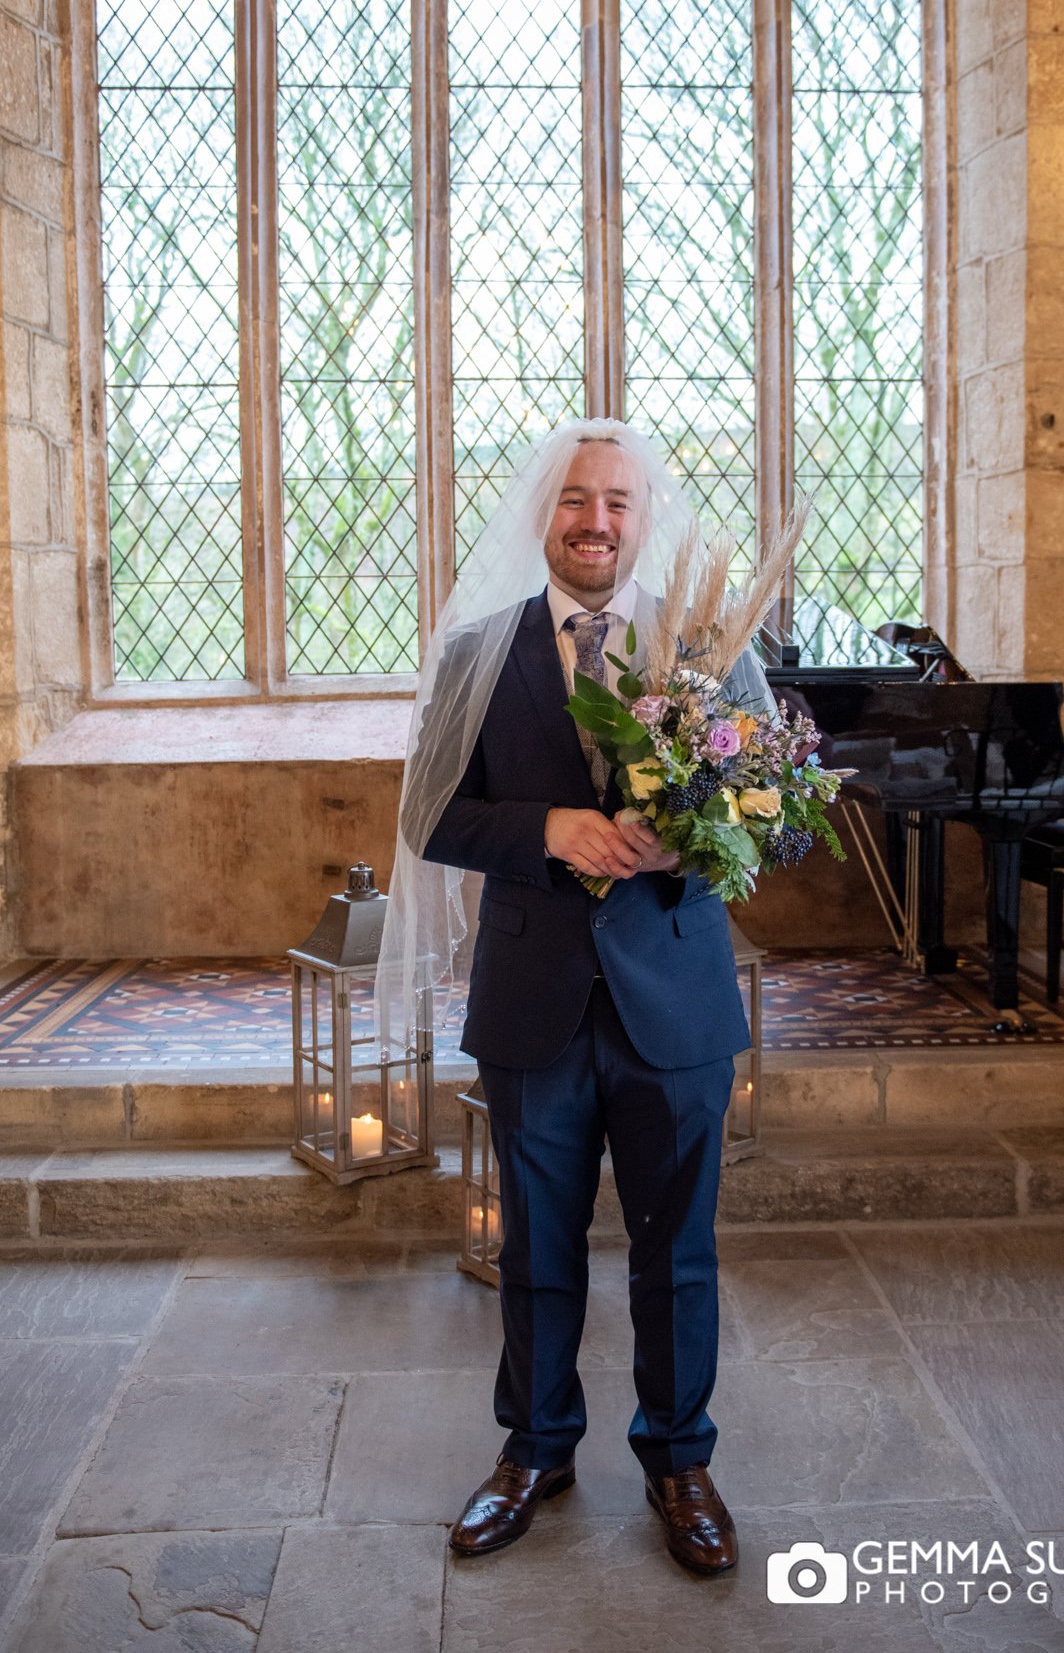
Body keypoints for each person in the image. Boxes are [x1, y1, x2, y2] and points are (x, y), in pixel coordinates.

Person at [390, 419, 760, 1576]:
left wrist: (686, 838)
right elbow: (431, 817)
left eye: (616, 500)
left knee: (677, 1250)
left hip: (675, 1002)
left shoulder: (712, 647)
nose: (594, 520)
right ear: (538, 513)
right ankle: (535, 1447)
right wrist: (549, 827)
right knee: (538, 1247)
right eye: (572, 499)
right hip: (533, 995)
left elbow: (779, 813)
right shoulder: (474, 654)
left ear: (646, 518)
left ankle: (677, 1457)